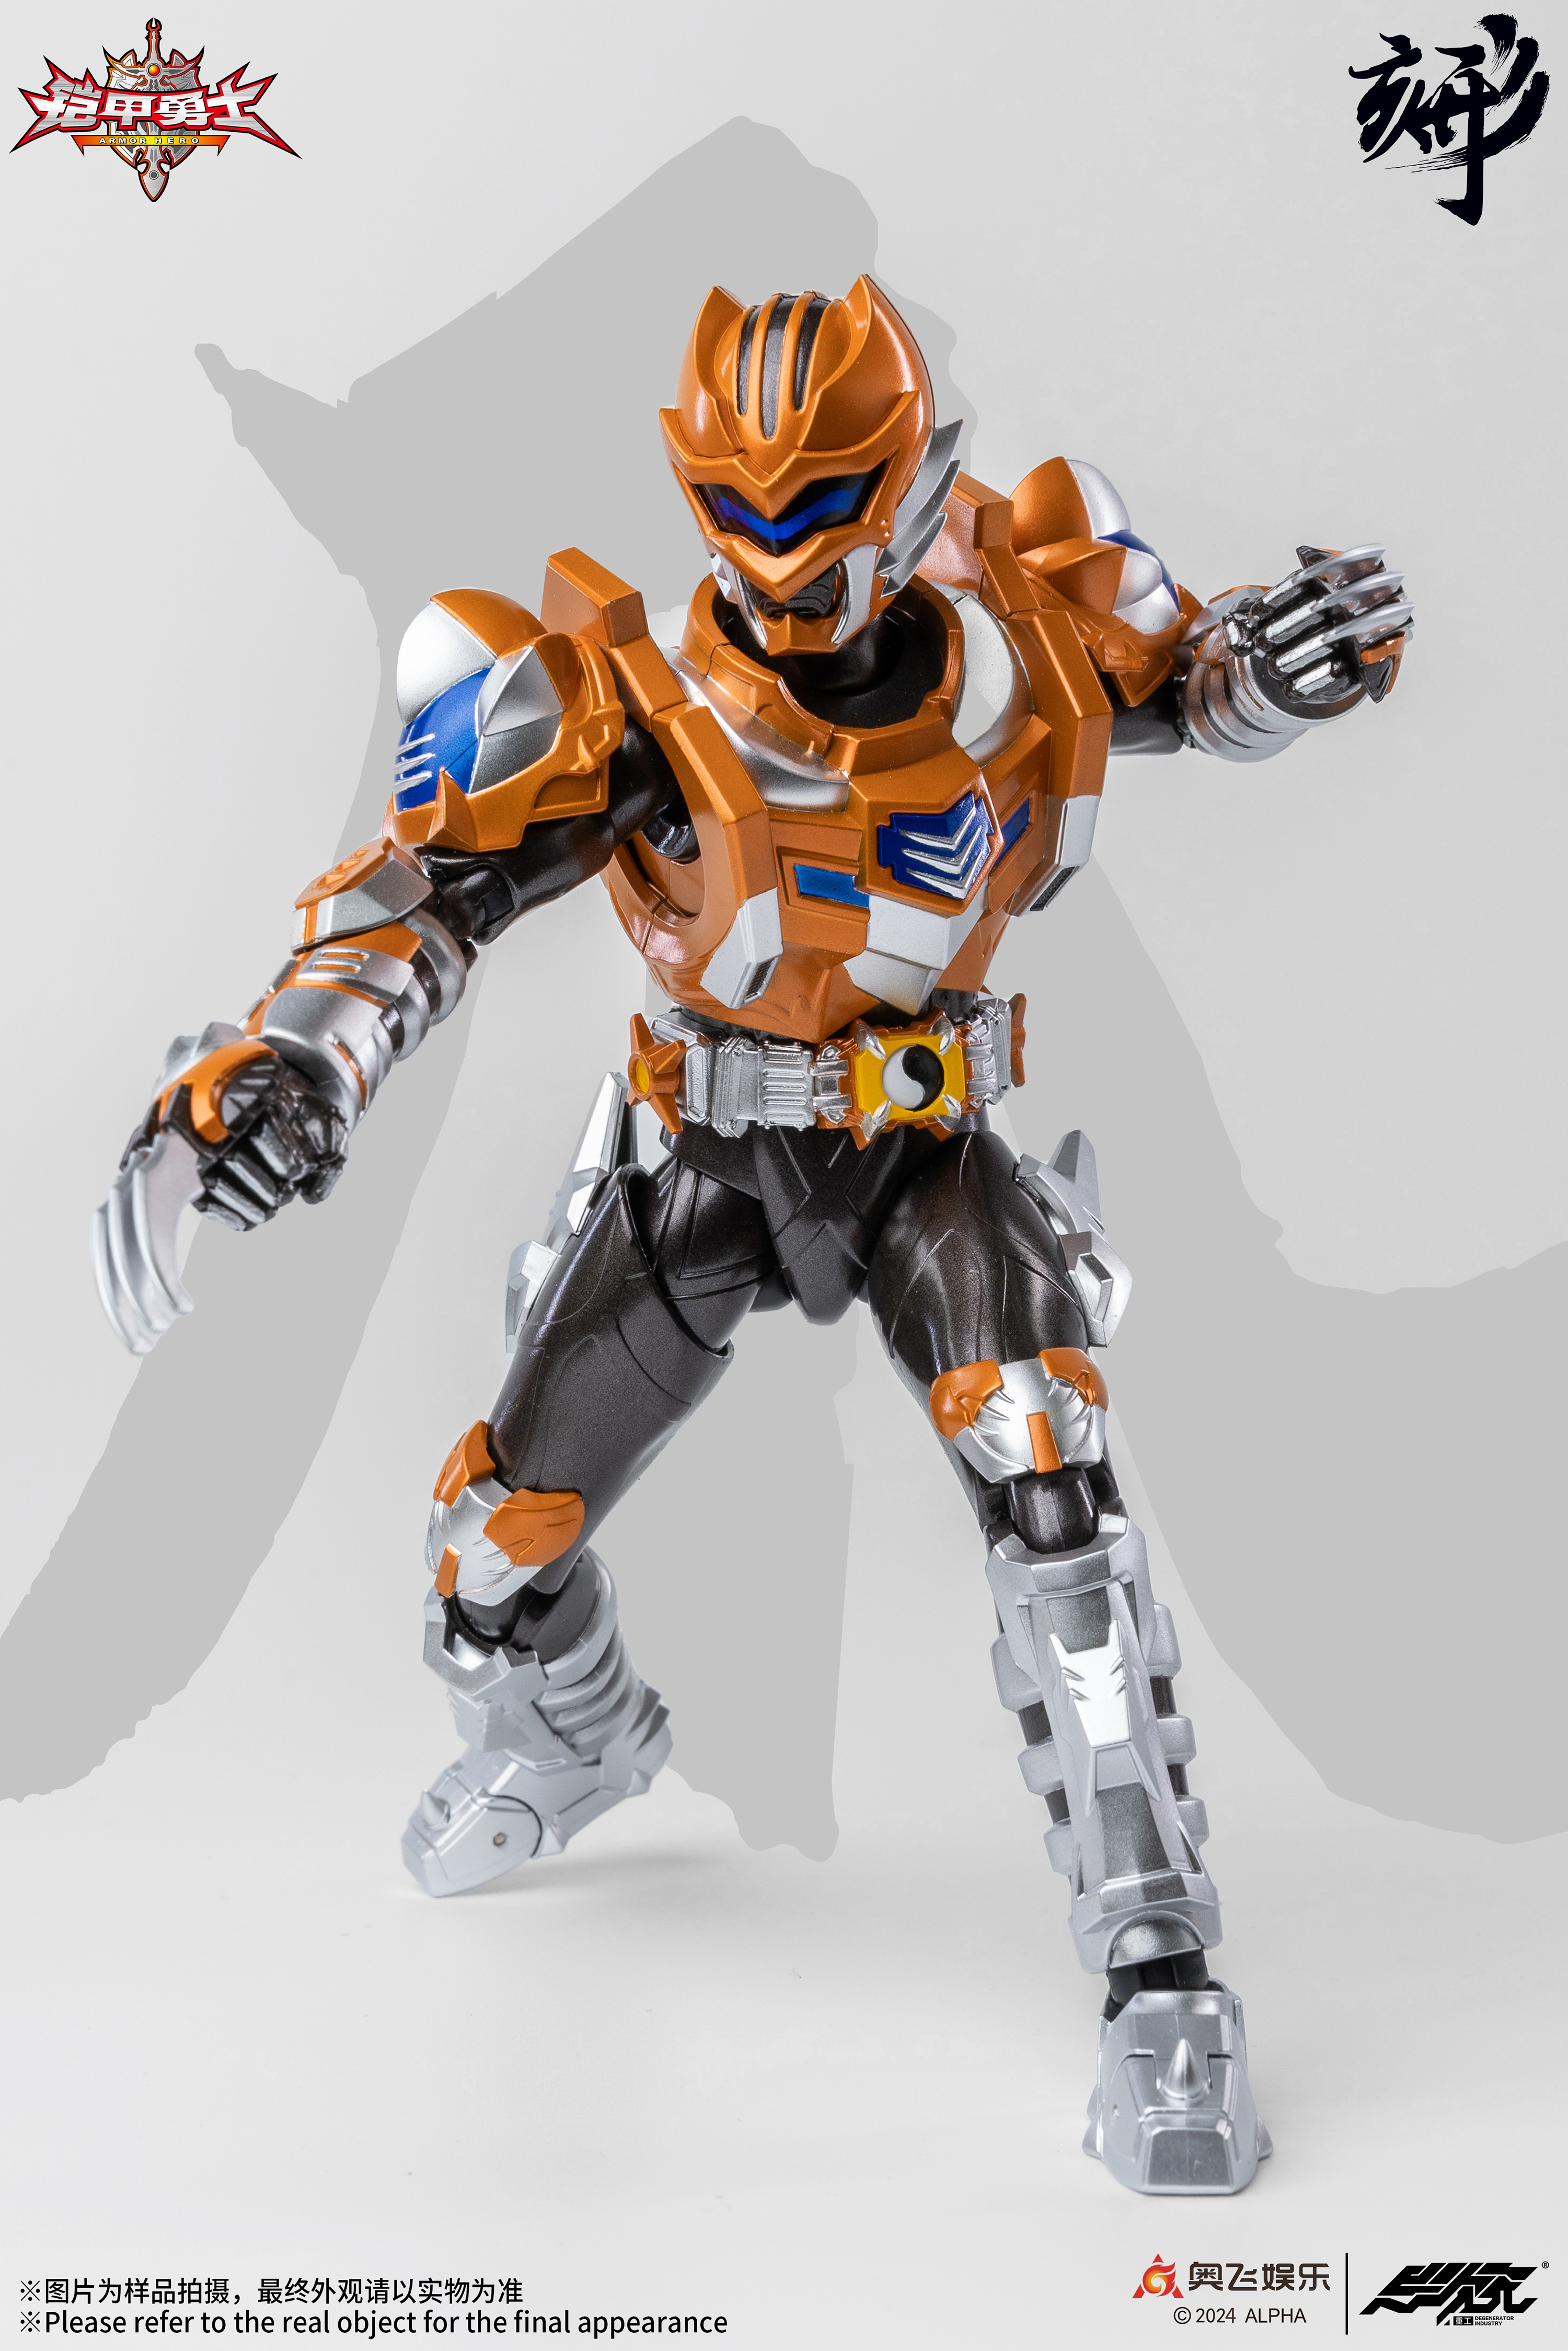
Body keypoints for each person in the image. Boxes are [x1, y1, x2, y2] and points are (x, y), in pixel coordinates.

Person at [96, 278, 1410, 2195]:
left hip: (926, 1156)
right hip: (700, 1166)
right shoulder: (634, 706)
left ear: (921, 475)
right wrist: (296, 1061)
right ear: (694, 487)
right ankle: (578, 1735)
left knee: (1056, 1489)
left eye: (829, 502)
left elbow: (1194, 683)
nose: (787, 555)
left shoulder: (1030, 637)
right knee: (486, 1549)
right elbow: (430, 892)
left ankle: (1162, 1981)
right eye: (744, 505)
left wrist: (1278, 671)